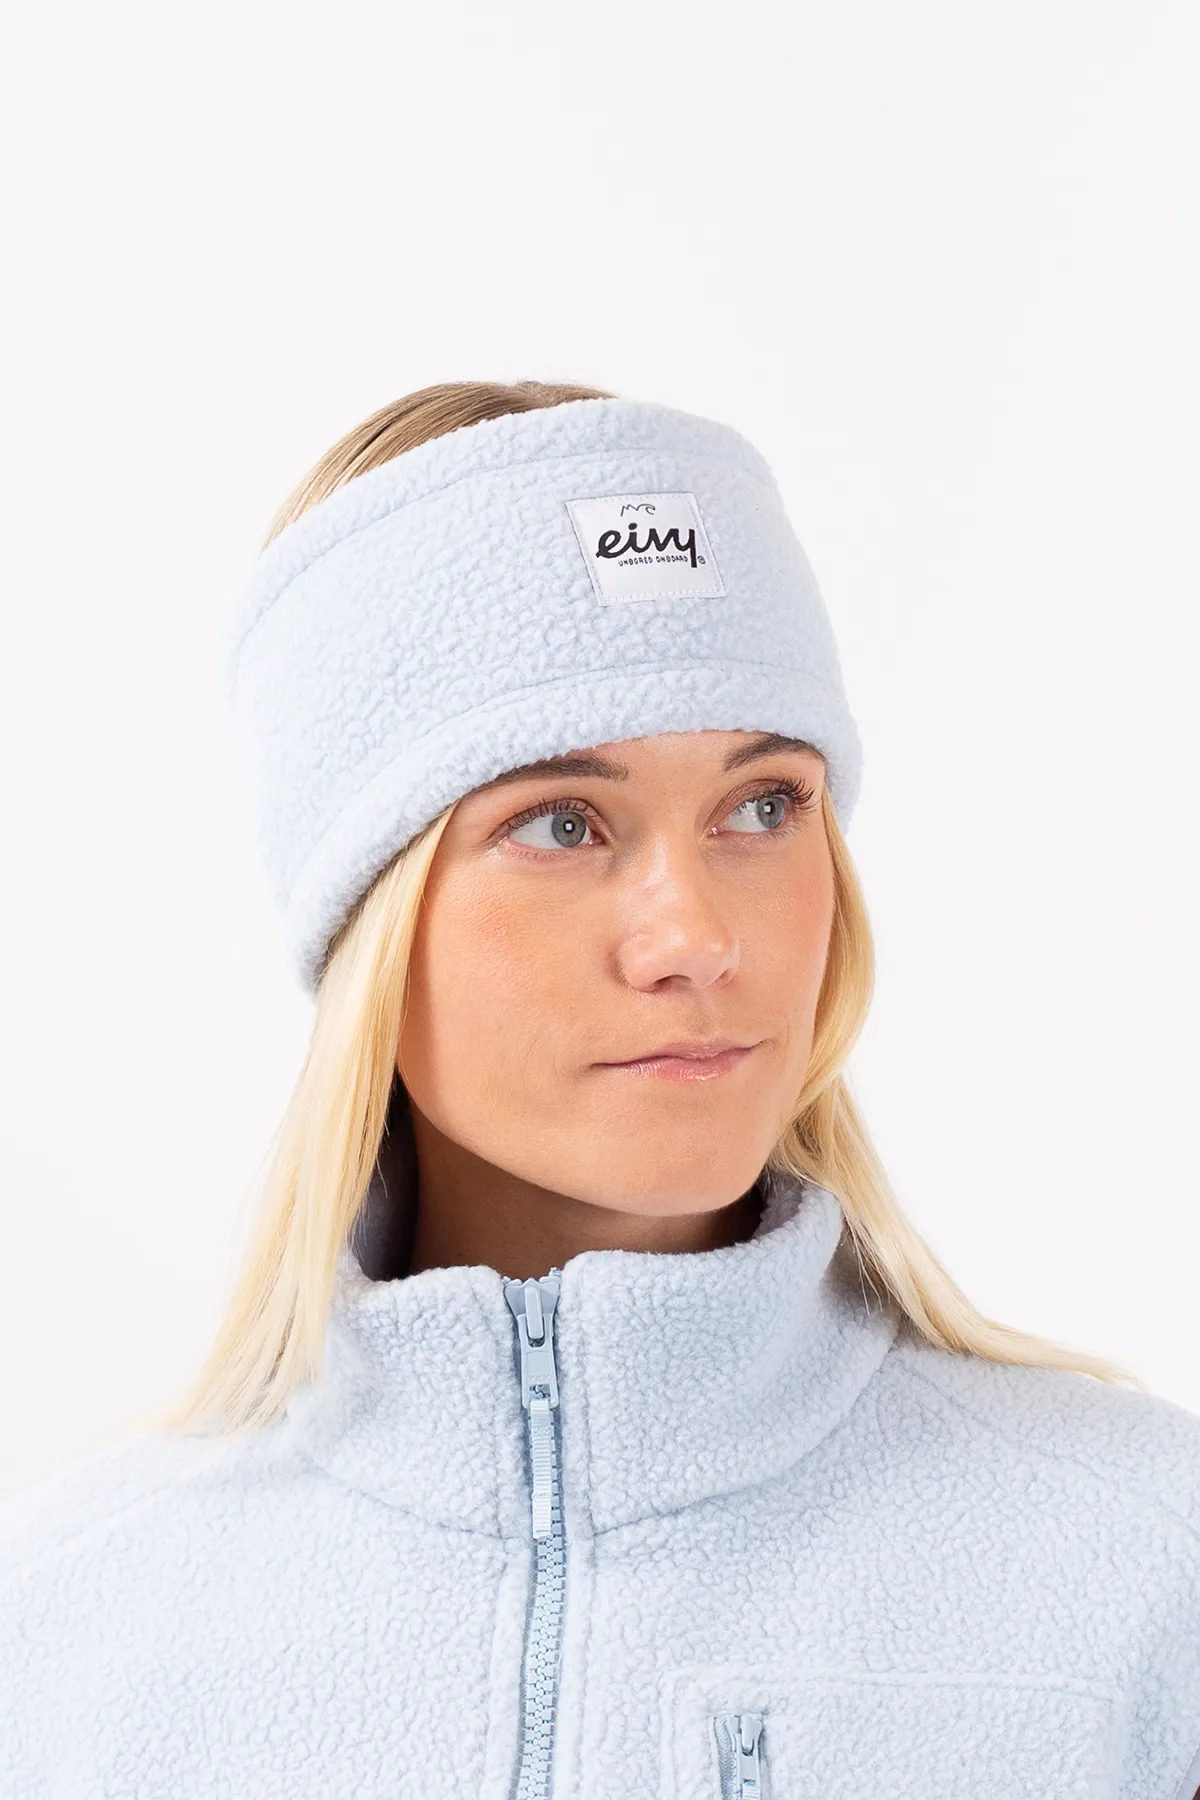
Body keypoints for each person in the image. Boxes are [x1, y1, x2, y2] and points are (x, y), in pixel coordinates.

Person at [2, 380, 1198, 1800]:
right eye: (562, 823)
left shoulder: (1145, 1566)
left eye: (764, 805)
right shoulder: (67, 1637)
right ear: (363, 916)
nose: (697, 937)